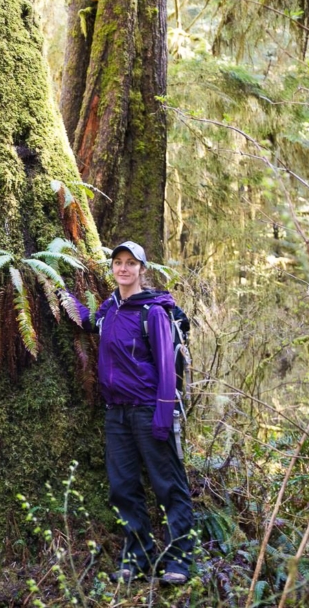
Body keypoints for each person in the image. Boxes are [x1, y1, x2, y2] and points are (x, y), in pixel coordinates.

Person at [68, 241, 194, 585]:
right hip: (117, 414)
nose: (123, 269)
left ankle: (178, 562)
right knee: (123, 488)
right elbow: (90, 322)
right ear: (112, 268)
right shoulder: (110, 309)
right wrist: (64, 298)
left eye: (130, 263)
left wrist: (163, 416)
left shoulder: (151, 311)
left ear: (142, 269)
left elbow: (167, 367)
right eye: (118, 263)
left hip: (149, 409)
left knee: (168, 486)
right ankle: (136, 560)